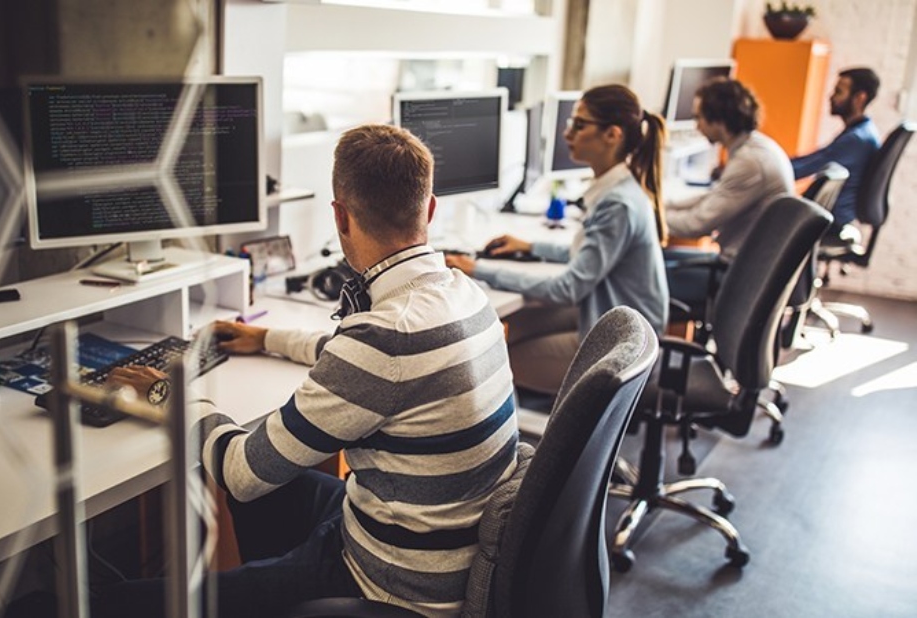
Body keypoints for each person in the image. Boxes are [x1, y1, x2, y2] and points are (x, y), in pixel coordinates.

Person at [93, 124, 519, 618]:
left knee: (123, 603)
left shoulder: (381, 342)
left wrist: (169, 392)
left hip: (390, 584)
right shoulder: (463, 293)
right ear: (429, 209)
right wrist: (269, 338)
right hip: (427, 550)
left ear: (340, 217)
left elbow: (241, 473)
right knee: (276, 488)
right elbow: (387, 371)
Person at [445, 84, 669, 396]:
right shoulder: (618, 189)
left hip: (621, 340)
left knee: (489, 362)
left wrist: (478, 268)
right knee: (506, 328)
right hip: (611, 314)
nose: (568, 134)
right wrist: (531, 247)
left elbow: (569, 287)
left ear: (612, 135)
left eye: (579, 125)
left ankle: (530, 438)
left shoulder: (617, 204)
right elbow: (587, 254)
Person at [663, 78, 794, 310]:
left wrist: (651, 218)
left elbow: (697, 225)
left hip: (737, 275)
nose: (696, 126)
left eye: (699, 118)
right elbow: (713, 197)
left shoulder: (749, 162)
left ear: (719, 121)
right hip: (745, 265)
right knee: (655, 259)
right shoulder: (754, 148)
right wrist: (662, 205)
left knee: (635, 275)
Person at [791, 67, 881, 243]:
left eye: (839, 92)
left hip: (830, 219)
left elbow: (804, 168)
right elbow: (817, 157)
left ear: (859, 98)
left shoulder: (856, 140)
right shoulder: (864, 132)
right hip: (839, 215)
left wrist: (765, 165)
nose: (831, 96)